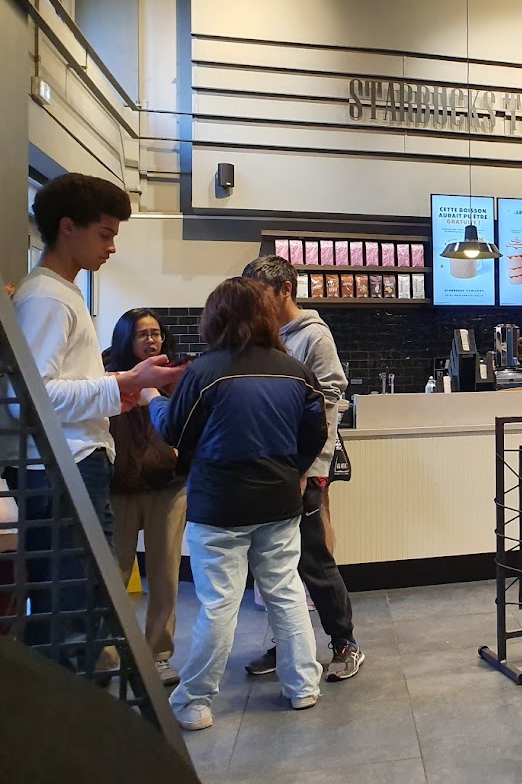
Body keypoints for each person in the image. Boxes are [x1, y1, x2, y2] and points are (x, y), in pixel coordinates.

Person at [10, 173, 182, 654]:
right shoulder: (47, 297)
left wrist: (118, 390)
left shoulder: (60, 293)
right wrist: (121, 385)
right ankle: (73, 698)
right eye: (105, 234)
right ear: (68, 227)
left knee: (76, 602)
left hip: (69, 465)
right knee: (75, 608)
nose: (111, 247)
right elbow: (34, 396)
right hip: (65, 468)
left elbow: (53, 386)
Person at [147, 278, 327, 731]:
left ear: (216, 318)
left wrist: (151, 399)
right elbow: (316, 432)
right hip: (280, 500)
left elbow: (174, 432)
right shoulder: (295, 371)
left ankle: (195, 702)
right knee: (286, 592)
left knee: (219, 603)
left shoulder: (205, 372)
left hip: (219, 504)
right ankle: (303, 686)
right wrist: (292, 469)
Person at [241, 255, 365, 682]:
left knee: (314, 560)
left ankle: (345, 643)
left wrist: (310, 467)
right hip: (270, 465)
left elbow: (330, 399)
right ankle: (289, 643)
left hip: (303, 467)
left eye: (262, 295)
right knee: (277, 565)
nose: (255, 304)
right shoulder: (262, 334)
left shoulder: (314, 335)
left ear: (285, 290)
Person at [106, 309, 187, 687]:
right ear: (127, 338)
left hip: (168, 486)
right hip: (117, 487)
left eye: (156, 333)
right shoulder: (106, 374)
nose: (152, 340)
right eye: (143, 334)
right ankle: (106, 655)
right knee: (113, 573)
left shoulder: (174, 375)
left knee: (165, 575)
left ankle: (158, 655)